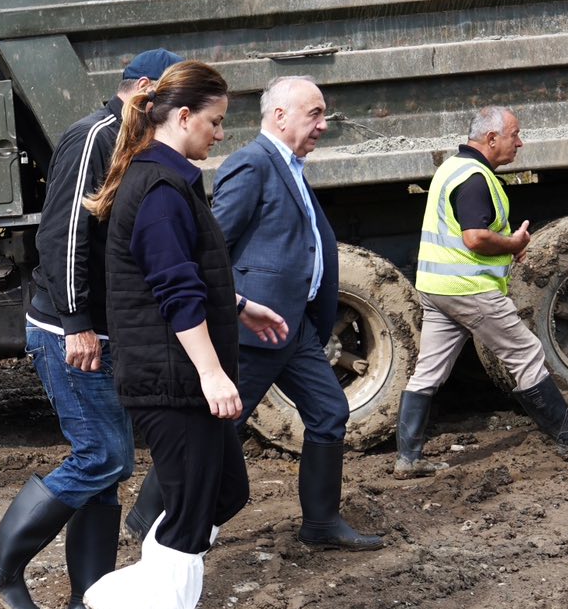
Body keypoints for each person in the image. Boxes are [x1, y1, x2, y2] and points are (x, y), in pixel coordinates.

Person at [79, 61, 289, 609]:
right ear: (183, 116)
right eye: (216, 122)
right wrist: (212, 373)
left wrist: (239, 305)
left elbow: (185, 273)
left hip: (174, 372)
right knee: (191, 512)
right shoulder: (161, 189)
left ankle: (123, 599)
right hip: (172, 378)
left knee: (225, 491)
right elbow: (173, 291)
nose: (221, 134)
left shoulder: (169, 181)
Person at [0, 48, 181, 609]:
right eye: (171, 96)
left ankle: (89, 599)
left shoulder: (137, 141)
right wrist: (76, 321)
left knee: (106, 469)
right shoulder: (94, 136)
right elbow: (62, 236)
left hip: (109, 331)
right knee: (104, 456)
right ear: (145, 88)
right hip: (73, 331)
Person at [128, 76, 384, 551]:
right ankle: (147, 520)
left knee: (329, 411)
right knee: (211, 428)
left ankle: (321, 522)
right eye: (315, 114)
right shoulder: (252, 163)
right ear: (280, 116)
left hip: (293, 326)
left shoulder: (290, 165)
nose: (323, 125)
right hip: (253, 331)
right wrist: (239, 307)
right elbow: (211, 247)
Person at [393, 106, 568, 476]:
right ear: (491, 138)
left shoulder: (452, 168)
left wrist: (508, 247)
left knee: (428, 372)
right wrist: (513, 245)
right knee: (526, 353)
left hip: (437, 288)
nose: (520, 142)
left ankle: (408, 459)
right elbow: (474, 237)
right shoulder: (475, 178)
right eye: (515, 135)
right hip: (469, 289)